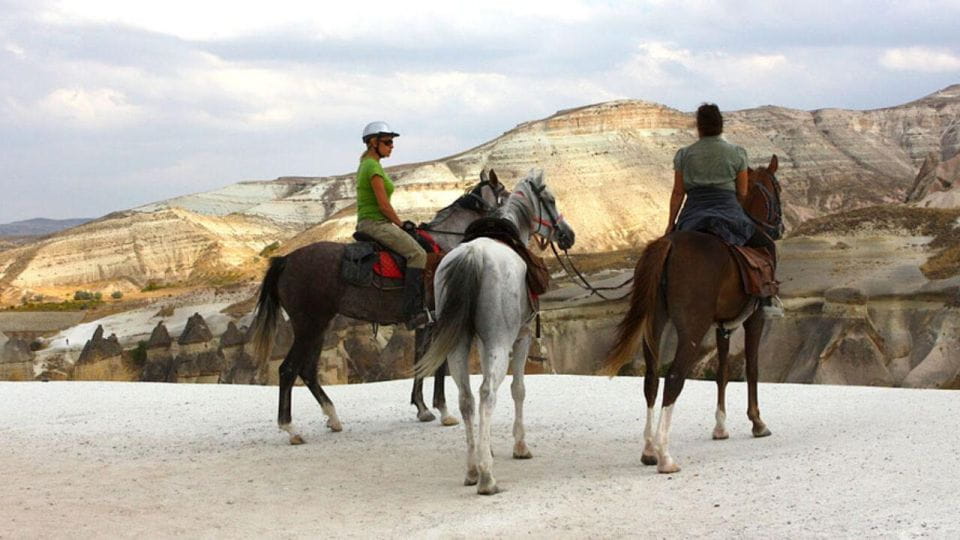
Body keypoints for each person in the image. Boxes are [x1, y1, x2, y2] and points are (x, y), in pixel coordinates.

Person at [665, 104, 783, 318]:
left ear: (698, 127)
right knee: (767, 245)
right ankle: (767, 299)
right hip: (729, 214)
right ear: (721, 126)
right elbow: (742, 193)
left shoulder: (684, 154)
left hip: (692, 216)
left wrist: (671, 224)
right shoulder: (737, 153)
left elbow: (678, 193)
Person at [355, 121, 432, 328]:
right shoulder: (372, 167)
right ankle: (412, 312)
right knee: (418, 255)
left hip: (371, 221)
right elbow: (383, 206)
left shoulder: (368, 164)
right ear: (373, 143)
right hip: (375, 223)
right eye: (388, 142)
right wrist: (401, 224)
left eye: (392, 142)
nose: (392, 146)